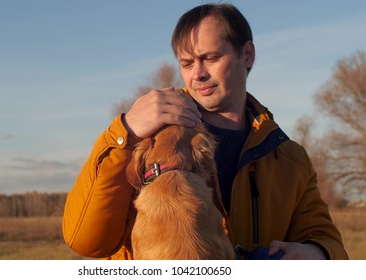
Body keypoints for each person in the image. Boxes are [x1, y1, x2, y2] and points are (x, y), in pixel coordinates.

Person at [62, 3, 348, 260]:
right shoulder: (147, 140)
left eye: (210, 58)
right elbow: (86, 241)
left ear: (246, 54)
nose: (197, 73)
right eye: (187, 63)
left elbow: (326, 237)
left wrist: (318, 253)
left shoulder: (289, 157)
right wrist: (123, 133)